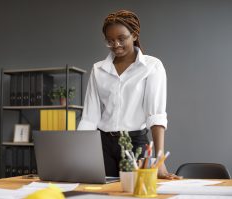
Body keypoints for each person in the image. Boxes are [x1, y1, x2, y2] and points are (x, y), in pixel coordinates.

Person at [77, 9, 181, 179]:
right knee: (100, 195)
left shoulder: (152, 66)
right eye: (110, 41)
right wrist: (78, 154)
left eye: (121, 38)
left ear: (134, 34)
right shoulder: (98, 69)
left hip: (134, 145)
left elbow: (156, 117)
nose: (116, 45)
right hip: (102, 146)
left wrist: (159, 161)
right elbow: (89, 118)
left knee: (137, 194)